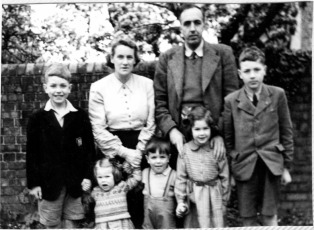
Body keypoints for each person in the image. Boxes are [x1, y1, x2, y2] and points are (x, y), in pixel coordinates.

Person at [154, 4, 239, 168]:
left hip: (211, 135)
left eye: (197, 23)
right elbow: (160, 102)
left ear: (204, 24)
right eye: (187, 24)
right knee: (179, 188)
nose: (192, 28)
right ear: (181, 28)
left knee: (210, 186)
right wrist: (171, 131)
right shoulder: (167, 58)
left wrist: (218, 134)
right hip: (179, 136)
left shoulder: (223, 54)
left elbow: (231, 101)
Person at [223, 46, 294, 226]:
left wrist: (286, 166)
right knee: (247, 217)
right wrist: (232, 170)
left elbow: (286, 131)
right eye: (247, 71)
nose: (252, 75)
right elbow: (228, 139)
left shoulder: (277, 95)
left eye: (256, 70)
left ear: (265, 71)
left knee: (269, 215)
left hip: (271, 165)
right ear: (240, 74)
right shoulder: (231, 101)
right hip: (244, 166)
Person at [88, 38, 156, 228]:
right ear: (112, 58)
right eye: (120, 57)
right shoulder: (99, 87)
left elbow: (151, 122)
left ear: (135, 60)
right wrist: (124, 153)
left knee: (139, 199)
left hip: (143, 144)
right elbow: (97, 127)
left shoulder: (147, 84)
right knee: (114, 197)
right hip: (112, 147)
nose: (125, 61)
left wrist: (139, 152)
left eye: (129, 57)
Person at [26, 63, 95, 228]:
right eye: (54, 86)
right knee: (51, 224)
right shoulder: (37, 118)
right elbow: (32, 153)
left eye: (63, 86)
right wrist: (34, 183)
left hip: (75, 183)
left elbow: (89, 150)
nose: (58, 90)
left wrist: (87, 176)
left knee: (73, 222)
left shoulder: (80, 116)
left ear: (69, 88)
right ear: (45, 88)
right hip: (48, 184)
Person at [175, 106, 230, 228]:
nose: (202, 133)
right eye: (197, 129)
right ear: (191, 129)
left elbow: (225, 177)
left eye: (205, 128)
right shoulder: (185, 151)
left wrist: (224, 202)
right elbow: (181, 179)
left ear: (211, 129)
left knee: (215, 224)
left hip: (214, 198)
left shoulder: (216, 150)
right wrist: (181, 201)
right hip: (194, 197)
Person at [90, 158, 141, 229]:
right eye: (100, 177)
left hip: (121, 225)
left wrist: (136, 166)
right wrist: (86, 189)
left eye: (107, 176)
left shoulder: (121, 187)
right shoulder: (95, 192)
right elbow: (86, 200)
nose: (103, 180)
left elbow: (136, 179)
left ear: (115, 176)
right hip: (103, 226)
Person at [142, 137, 180, 229]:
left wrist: (181, 205)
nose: (158, 161)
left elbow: (180, 194)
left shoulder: (174, 175)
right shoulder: (145, 173)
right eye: (154, 157)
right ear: (147, 159)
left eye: (162, 157)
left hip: (166, 220)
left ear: (168, 158)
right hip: (149, 219)